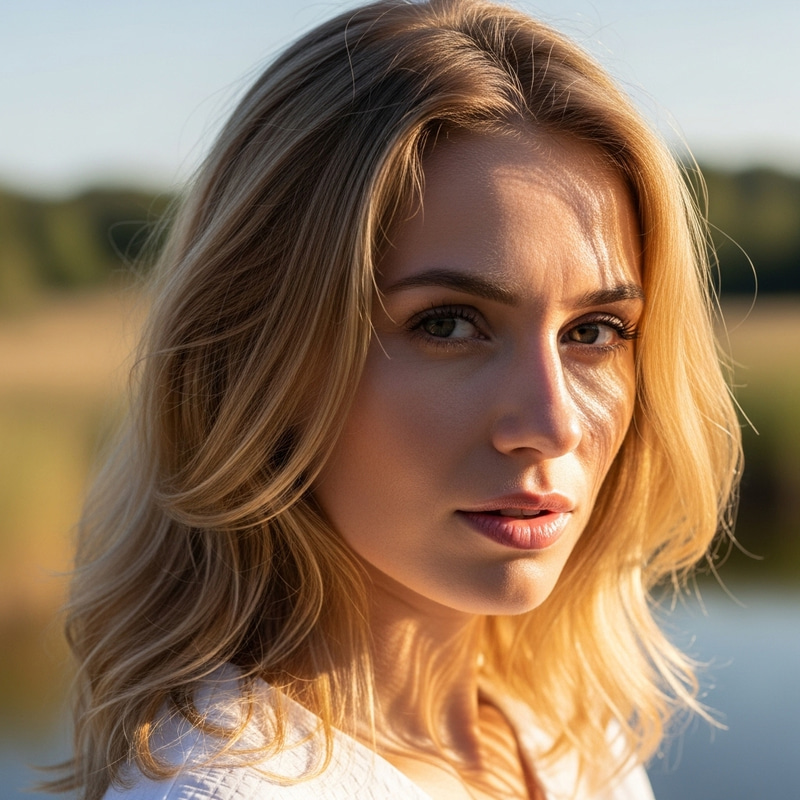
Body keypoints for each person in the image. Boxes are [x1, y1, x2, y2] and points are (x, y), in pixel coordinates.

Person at [52, 1, 741, 798]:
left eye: (594, 330)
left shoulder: (558, 738)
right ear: (259, 361)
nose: (551, 424)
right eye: (449, 324)